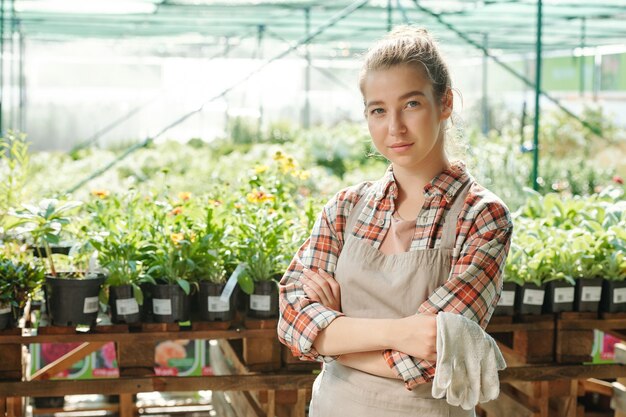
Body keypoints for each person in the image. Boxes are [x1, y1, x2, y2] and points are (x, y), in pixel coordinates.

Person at [277, 26, 513, 417]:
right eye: (378, 110)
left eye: (412, 104)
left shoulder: (482, 216)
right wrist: (400, 332)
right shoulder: (346, 208)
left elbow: (433, 357)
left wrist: (332, 338)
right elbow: (290, 319)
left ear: (446, 103)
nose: (394, 128)